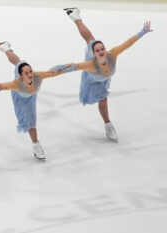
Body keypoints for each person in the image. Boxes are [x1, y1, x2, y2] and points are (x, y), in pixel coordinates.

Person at [63, 8, 153, 141]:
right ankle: (108, 124)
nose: (101, 51)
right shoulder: (90, 64)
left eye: (102, 49)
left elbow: (127, 44)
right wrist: (51, 72)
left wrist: (143, 31)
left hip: (104, 78)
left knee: (90, 39)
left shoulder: (112, 55)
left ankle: (75, 16)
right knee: (103, 99)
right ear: (93, 53)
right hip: (92, 80)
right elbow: (72, 66)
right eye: (98, 50)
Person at [0, 42, 76, 160]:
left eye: (30, 71)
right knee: (29, 121)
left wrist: (76, 66)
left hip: (30, 94)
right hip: (20, 97)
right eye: (27, 73)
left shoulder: (37, 76)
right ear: (21, 76)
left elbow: (56, 71)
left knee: (18, 62)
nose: (30, 74)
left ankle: (5, 48)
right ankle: (36, 145)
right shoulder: (15, 84)